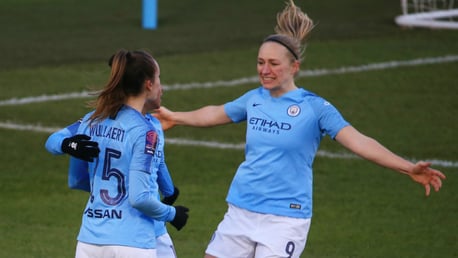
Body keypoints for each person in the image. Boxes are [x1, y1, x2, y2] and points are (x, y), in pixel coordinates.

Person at [152, 1, 446, 257]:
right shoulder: (255, 99)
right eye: (260, 62)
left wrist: (408, 168)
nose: (265, 70)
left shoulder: (315, 108)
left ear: (294, 67)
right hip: (241, 209)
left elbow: (358, 142)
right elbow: (216, 112)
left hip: (285, 219)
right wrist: (176, 117)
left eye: (273, 64)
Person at [47, 49, 189, 258]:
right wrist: (172, 213)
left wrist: (70, 145)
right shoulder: (146, 130)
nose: (162, 87)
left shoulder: (93, 119)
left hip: (91, 238)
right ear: (148, 84)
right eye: (159, 79)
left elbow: (53, 142)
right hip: (136, 236)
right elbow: (140, 196)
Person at [45, 118, 180, 258]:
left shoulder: (94, 120)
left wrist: (69, 145)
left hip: (100, 232)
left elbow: (56, 144)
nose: (160, 94)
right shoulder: (149, 125)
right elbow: (159, 165)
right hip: (142, 233)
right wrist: (169, 198)